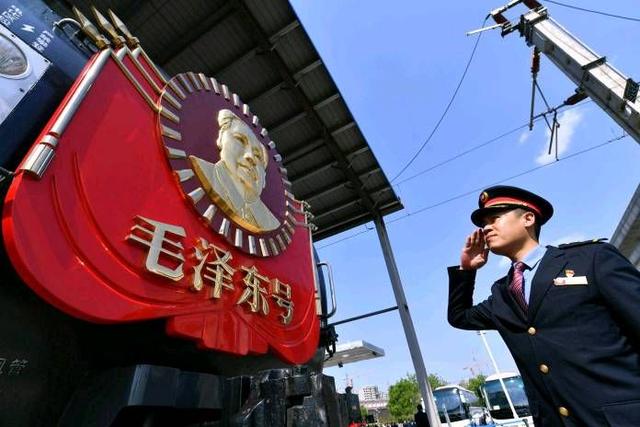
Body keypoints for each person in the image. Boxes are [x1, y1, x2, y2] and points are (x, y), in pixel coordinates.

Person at [447, 185, 640, 426]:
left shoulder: (591, 259)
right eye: (484, 223)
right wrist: (466, 270)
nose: (486, 228)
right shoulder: (502, 293)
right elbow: (460, 316)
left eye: (494, 218)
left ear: (528, 218)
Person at [189, 109, 280, 232]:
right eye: (240, 140)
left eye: (257, 155)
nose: (250, 156)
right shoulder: (202, 171)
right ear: (221, 139)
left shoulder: (271, 222)